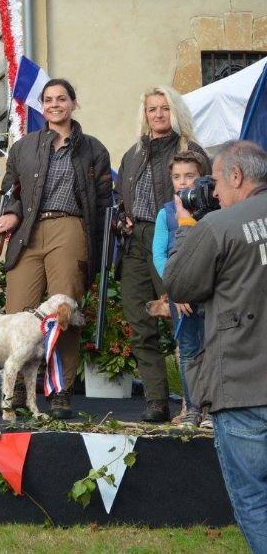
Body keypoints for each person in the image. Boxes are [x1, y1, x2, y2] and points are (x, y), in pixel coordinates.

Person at [163, 140, 267, 552]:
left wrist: (188, 225)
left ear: (237, 176)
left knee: (254, 498)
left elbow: (180, 283)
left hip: (241, 385)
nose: (215, 195)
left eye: (217, 184)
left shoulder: (219, 226)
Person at [0, 78, 111, 419]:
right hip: (28, 229)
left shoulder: (93, 149)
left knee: (63, 313)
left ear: (74, 103)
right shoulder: (24, 147)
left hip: (70, 227)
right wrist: (13, 215)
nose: (55, 105)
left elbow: (103, 202)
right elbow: (9, 191)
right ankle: (14, 390)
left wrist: (101, 249)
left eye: (62, 99)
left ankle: (60, 390)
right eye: (48, 100)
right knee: (18, 311)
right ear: (42, 106)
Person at [116, 85, 208, 422]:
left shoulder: (190, 150)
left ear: (175, 112)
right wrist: (123, 215)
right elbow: (121, 194)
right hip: (135, 242)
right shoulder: (133, 153)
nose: (158, 114)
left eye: (164, 108)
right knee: (141, 323)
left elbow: (206, 200)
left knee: (185, 321)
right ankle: (156, 400)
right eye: (152, 109)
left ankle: (195, 403)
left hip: (173, 236)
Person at [150, 150, 209, 427]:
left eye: (190, 176)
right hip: (180, 297)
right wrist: (176, 288)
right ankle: (193, 410)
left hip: (209, 295)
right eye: (177, 177)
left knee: (210, 350)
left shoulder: (213, 208)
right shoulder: (166, 213)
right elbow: (160, 255)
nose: (183, 182)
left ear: (203, 177)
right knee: (188, 351)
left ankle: (212, 411)